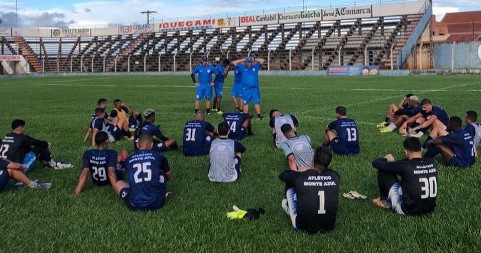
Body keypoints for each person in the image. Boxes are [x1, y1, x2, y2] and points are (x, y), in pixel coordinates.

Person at [279, 147, 340, 234]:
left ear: (312, 160)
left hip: (302, 226)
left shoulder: (301, 176)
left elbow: (283, 175)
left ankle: (288, 207)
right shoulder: (335, 176)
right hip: (329, 226)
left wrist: (300, 171)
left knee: (289, 184)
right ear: (330, 163)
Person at [371, 137, 437, 216]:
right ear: (420, 150)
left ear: (405, 152)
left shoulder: (405, 166)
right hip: (429, 209)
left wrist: (385, 159)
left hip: (407, 210)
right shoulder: (432, 162)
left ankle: (384, 199)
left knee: (384, 171)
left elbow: (375, 163)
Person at [112, 134, 173, 211]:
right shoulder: (159, 156)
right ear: (151, 145)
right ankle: (163, 192)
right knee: (161, 173)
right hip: (157, 203)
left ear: (137, 144)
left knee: (119, 183)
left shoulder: (129, 158)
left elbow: (124, 168)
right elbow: (169, 176)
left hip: (134, 205)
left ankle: (135, 193)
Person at [1, 119, 72, 173]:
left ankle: (44, 161)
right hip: (17, 169)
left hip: (3, 165)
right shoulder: (22, 138)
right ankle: (53, 164)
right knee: (40, 146)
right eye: (23, 127)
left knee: (26, 148)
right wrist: (47, 144)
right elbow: (36, 142)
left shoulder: (7, 136)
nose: (24, 129)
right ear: (20, 128)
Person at [73, 131, 123, 195]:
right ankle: (121, 162)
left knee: (116, 161)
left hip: (96, 182)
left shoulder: (87, 153)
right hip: (109, 181)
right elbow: (111, 174)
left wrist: (76, 192)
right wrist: (118, 193)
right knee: (120, 165)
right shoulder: (112, 153)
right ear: (107, 141)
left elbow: (84, 173)